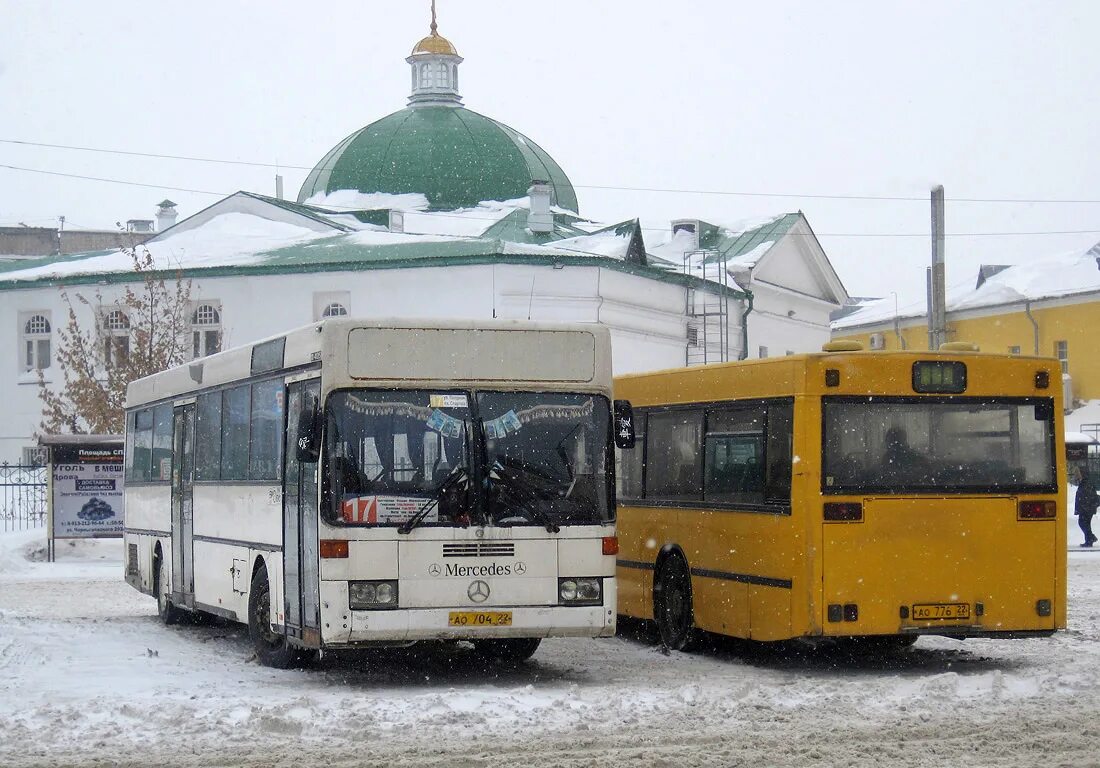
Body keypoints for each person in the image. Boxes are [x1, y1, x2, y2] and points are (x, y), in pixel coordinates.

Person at [1073, 465, 1098, 547]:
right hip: (1086, 508)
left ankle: (1090, 538)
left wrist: (1084, 507)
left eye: (1077, 473)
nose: (1075, 474)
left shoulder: (1086, 483)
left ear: (1081, 473)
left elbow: (1087, 496)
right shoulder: (1084, 482)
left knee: (1083, 523)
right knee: (1085, 524)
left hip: (1086, 508)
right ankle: (1089, 539)